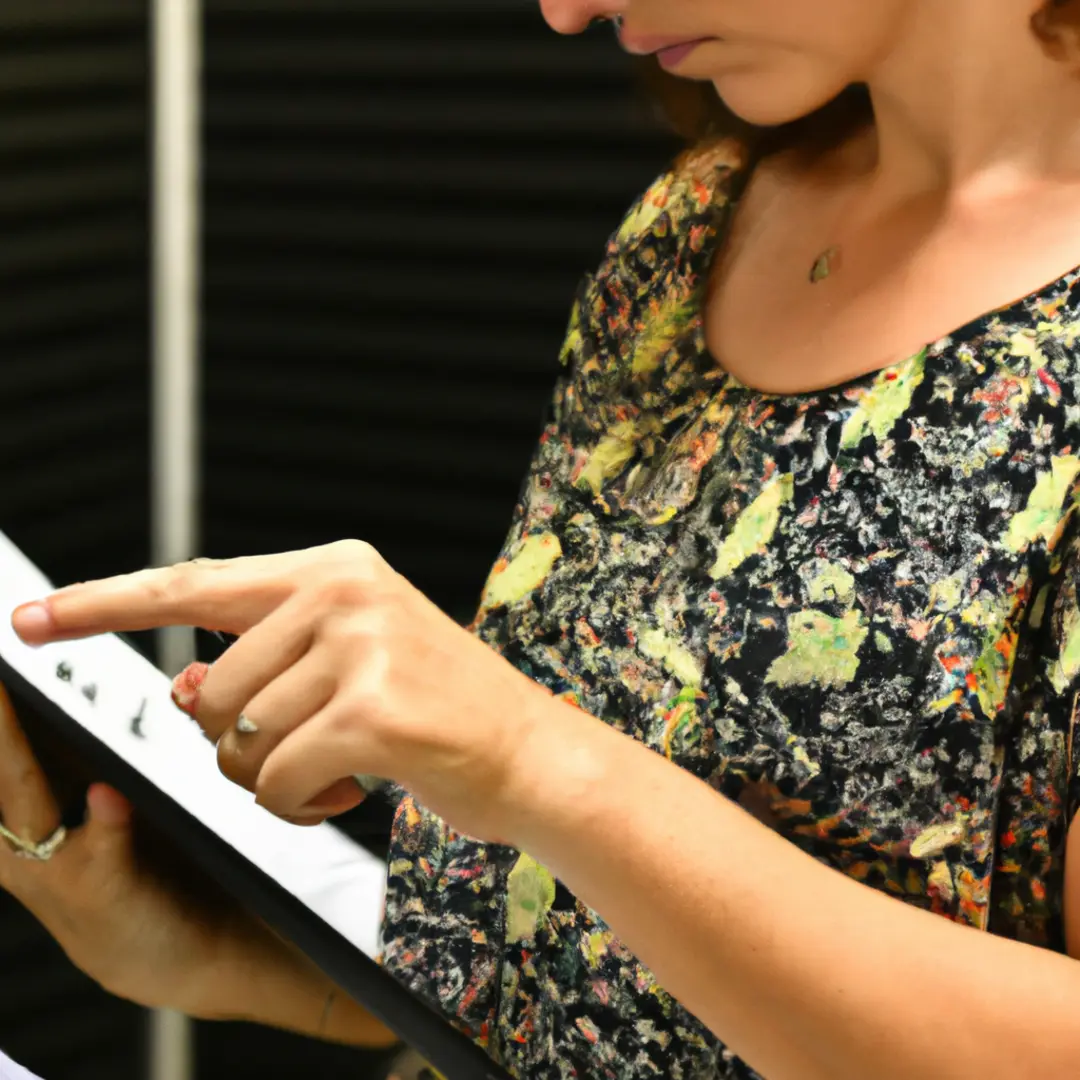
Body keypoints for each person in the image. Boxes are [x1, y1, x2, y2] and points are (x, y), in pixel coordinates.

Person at [5, 1, 1080, 1078]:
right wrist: (230, 960)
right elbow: (605, 999)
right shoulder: (694, 228)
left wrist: (535, 759)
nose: (568, 9)